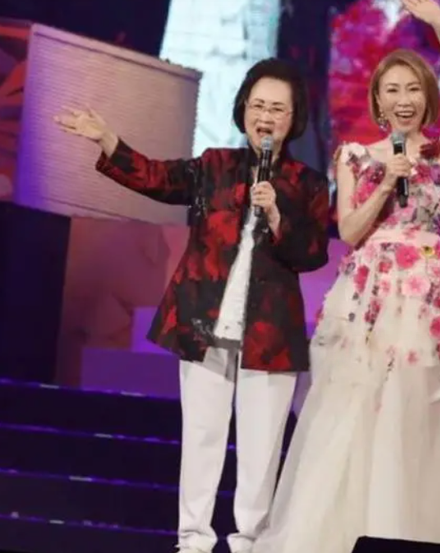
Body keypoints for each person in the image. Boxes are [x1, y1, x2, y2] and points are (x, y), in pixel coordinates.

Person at [54, 58, 330, 553]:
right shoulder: (214, 165)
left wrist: (275, 212)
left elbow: (311, 253)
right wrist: (109, 141)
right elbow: (157, 178)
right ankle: (194, 540)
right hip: (206, 322)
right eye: (258, 105)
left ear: (294, 119)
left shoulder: (307, 184)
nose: (265, 117)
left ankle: (249, 542)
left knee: (261, 447)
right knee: (202, 436)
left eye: (277, 109)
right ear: (243, 109)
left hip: (269, 334)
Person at [253, 1, 440, 552]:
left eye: (412, 89)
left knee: (415, 413)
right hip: (367, 299)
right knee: (351, 410)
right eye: (392, 90)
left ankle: (406, 533)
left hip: (423, 302)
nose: (403, 99)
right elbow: (351, 230)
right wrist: (386, 181)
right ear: (377, 101)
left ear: (426, 96)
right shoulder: (355, 156)